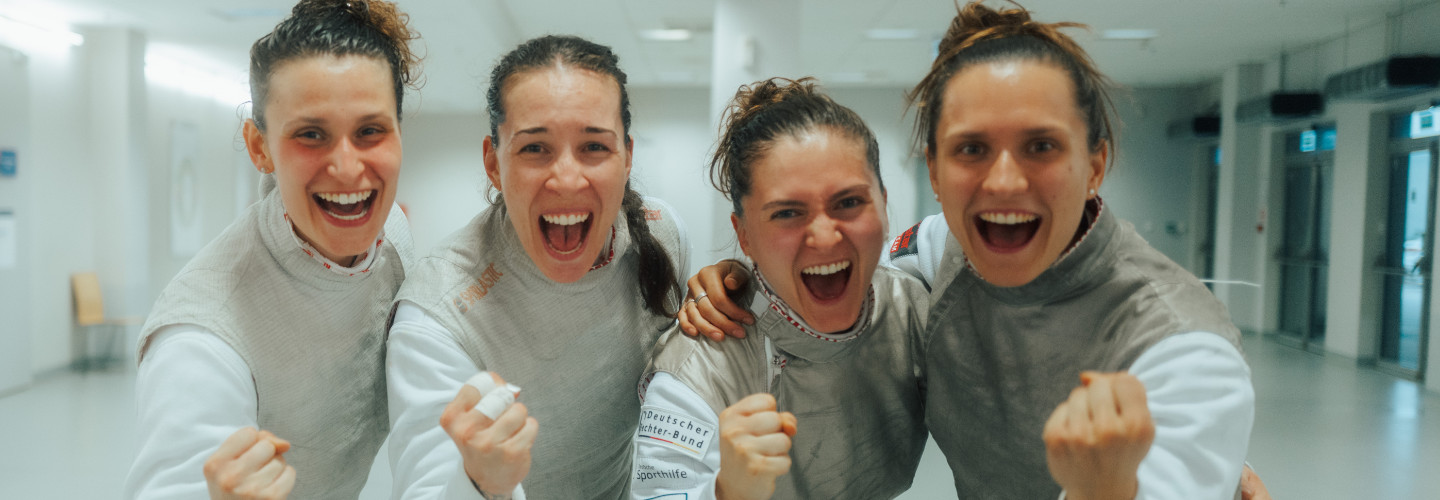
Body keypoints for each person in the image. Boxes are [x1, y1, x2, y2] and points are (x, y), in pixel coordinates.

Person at [682, 3, 1259, 499]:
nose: (1004, 182)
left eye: (1041, 145)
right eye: (972, 149)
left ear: (1095, 165)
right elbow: (850, 275)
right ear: (935, 172)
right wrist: (743, 276)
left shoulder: (1184, 349)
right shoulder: (944, 250)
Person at [122, 1, 421, 499]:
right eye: (311, 135)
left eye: (370, 131)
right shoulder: (202, 336)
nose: (348, 168)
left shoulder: (394, 233)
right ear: (260, 148)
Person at [385, 35, 688, 500]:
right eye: (534, 149)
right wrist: (480, 483)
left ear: (627, 157)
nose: (566, 179)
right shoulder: (438, 311)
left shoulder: (661, 236)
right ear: (493, 163)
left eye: (594, 146)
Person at [629, 78, 929, 500]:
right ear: (744, 235)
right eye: (787, 213)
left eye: (848, 202)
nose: (825, 236)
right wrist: (726, 491)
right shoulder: (701, 361)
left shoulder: (914, 310)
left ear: (883, 201)